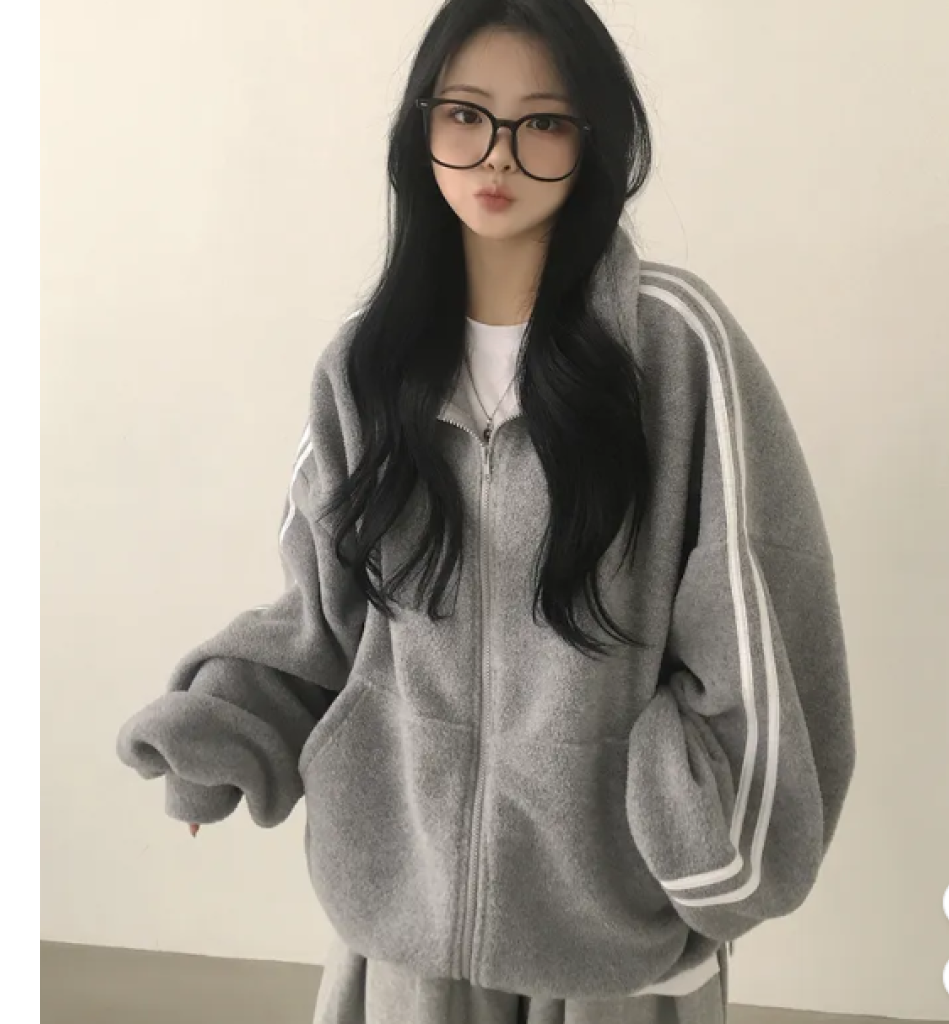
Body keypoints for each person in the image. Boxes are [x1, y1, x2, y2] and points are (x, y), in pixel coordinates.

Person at [116, 1, 857, 1021]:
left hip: (613, 948)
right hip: (404, 930)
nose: (498, 154)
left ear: (593, 140)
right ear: (420, 128)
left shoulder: (674, 349)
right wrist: (223, 728)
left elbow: (762, 618)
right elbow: (321, 617)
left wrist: (694, 833)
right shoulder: (368, 364)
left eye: (542, 122)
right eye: (465, 114)